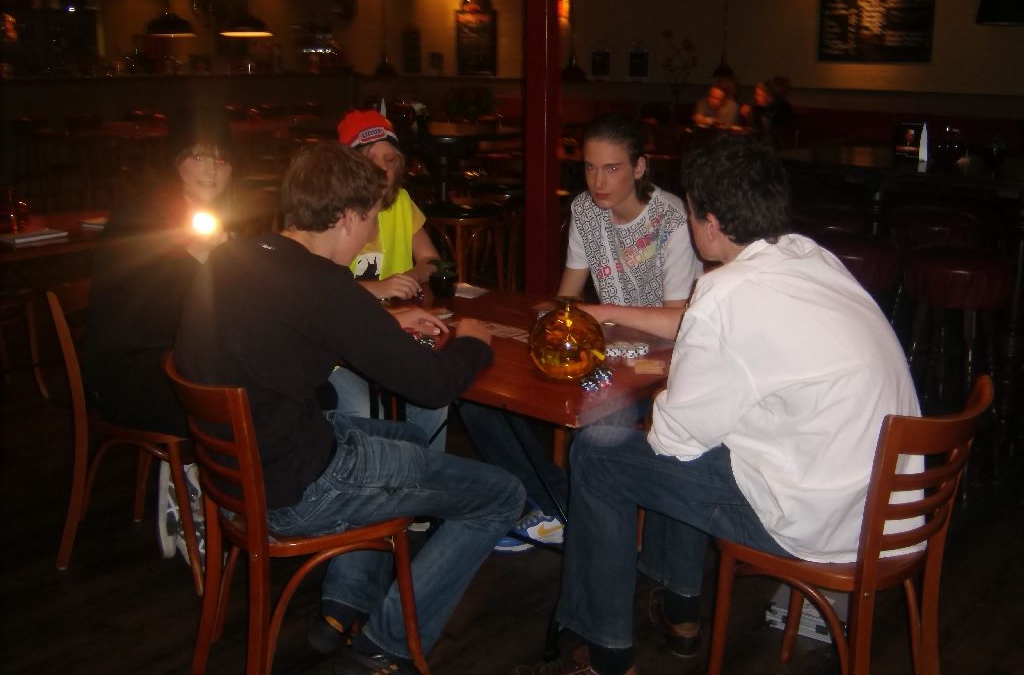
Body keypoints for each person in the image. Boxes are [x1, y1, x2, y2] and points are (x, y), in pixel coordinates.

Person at [518, 135, 921, 675]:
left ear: (709, 222)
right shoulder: (812, 257)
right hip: (891, 508)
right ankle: (679, 607)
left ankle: (605, 655)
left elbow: (673, 441)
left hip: (824, 523)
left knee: (600, 455)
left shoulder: (725, 292)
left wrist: (668, 398)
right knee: (692, 442)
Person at [173, 141, 524, 675]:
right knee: (502, 494)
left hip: (239, 477)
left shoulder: (233, 256)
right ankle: (385, 645)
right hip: (297, 490)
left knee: (405, 439)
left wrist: (384, 321)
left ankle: (346, 602)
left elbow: (300, 322)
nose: (371, 232)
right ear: (346, 217)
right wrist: (475, 341)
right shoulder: (321, 284)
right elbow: (432, 387)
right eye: (371, 218)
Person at [458, 114, 702, 552]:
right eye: (590, 167)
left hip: (664, 362)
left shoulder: (672, 218)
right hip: (604, 353)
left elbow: (675, 320)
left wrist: (595, 314)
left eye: (612, 168)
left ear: (640, 167)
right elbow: (568, 294)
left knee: (599, 427)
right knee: (480, 398)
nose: (598, 181)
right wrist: (550, 321)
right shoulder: (585, 210)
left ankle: (578, 519)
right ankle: (556, 504)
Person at [82, 108, 234, 564]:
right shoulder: (143, 219)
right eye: (198, 156)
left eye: (221, 158)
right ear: (175, 162)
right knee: (225, 401)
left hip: (183, 362)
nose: (211, 169)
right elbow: (148, 316)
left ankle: (235, 497)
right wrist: (199, 262)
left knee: (258, 388)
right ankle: (192, 493)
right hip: (128, 371)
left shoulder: (220, 222)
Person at [330, 108, 449, 449]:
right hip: (339, 353)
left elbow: (434, 262)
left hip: (392, 339)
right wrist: (374, 287)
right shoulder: (328, 210)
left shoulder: (400, 203)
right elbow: (314, 288)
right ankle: (383, 478)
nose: (382, 169)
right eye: (370, 160)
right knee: (367, 414)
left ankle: (424, 475)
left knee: (434, 396)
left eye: (389, 160)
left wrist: (411, 274)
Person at [740, 76, 795, 144]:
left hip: (777, 144)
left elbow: (776, 133)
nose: (755, 97)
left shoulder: (783, 108)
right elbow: (754, 129)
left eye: (759, 95)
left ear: (769, 96)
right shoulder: (758, 108)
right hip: (761, 142)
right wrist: (749, 115)